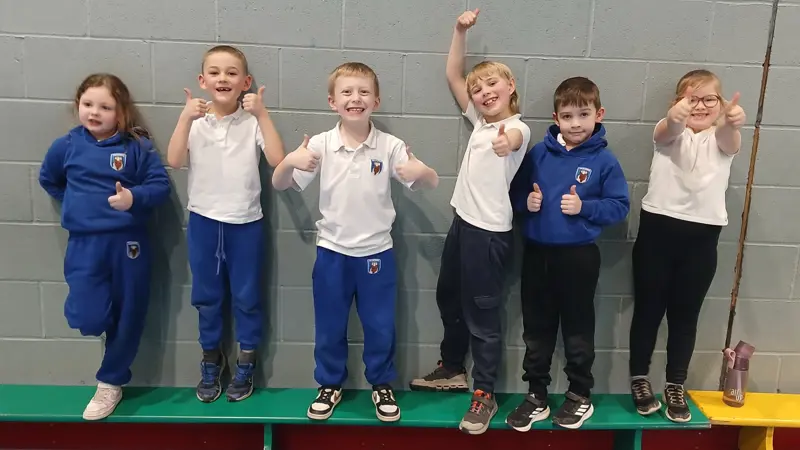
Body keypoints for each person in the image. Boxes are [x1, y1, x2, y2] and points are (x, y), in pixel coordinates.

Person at [272, 62, 439, 423]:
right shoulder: (320, 144)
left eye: (363, 92)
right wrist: (289, 161)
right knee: (330, 324)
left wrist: (421, 172)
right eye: (347, 92)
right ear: (333, 102)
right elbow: (280, 183)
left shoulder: (390, 146)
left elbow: (432, 181)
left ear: (376, 100)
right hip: (332, 251)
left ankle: (381, 384)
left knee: (380, 325)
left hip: (377, 254)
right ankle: (330, 384)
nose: (355, 98)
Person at [408, 9, 531, 436]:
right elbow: (452, 72)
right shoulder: (479, 122)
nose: (482, 92)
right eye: (477, 89)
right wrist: (459, 31)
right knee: (449, 298)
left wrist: (506, 144)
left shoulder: (517, 128)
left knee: (482, 316)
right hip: (463, 224)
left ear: (511, 86)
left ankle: (484, 394)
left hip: (489, 234)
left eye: (492, 84)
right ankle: (452, 368)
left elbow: (515, 141)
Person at [38, 73, 171, 420]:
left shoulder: (137, 146)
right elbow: (49, 179)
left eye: (105, 107)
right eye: (87, 104)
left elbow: (159, 187)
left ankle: (110, 381)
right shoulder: (66, 145)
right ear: (77, 105)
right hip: (85, 244)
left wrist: (133, 198)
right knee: (88, 315)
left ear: (121, 111)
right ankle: (99, 319)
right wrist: (75, 205)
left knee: (129, 315)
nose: (94, 112)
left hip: (130, 245)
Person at [506, 76, 630, 431]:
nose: (576, 123)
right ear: (556, 118)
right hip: (537, 254)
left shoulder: (605, 161)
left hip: (578, 257)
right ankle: (537, 395)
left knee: (577, 328)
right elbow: (513, 195)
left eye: (583, 114)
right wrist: (525, 204)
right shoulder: (538, 154)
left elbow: (619, 206)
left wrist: (585, 207)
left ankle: (579, 395)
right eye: (568, 116)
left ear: (598, 114)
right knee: (537, 329)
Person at [166, 45, 285, 403]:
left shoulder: (252, 123)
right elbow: (174, 160)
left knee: (247, 297)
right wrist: (185, 118)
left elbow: (279, 160)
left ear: (245, 82)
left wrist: (263, 115)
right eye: (215, 72)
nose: (223, 78)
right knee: (207, 297)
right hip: (203, 221)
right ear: (202, 81)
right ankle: (211, 359)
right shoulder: (195, 122)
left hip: (245, 223)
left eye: (232, 73)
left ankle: (246, 361)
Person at [628, 69, 745, 423]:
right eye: (692, 98)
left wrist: (731, 121)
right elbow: (668, 128)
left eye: (710, 99)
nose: (700, 106)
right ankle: (639, 378)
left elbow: (730, 138)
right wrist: (676, 116)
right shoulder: (667, 134)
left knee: (684, 316)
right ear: (677, 102)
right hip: (657, 231)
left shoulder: (723, 139)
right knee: (648, 310)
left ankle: (675, 383)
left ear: (721, 104)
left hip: (702, 238)